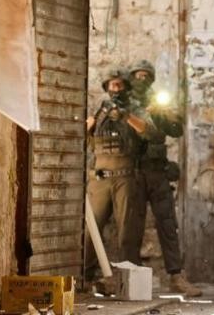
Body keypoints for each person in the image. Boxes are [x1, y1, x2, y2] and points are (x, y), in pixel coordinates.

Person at [128, 59, 202, 297]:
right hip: (134, 173)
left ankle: (176, 277)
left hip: (158, 173)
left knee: (168, 225)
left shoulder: (158, 101)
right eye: (138, 75)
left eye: (146, 76)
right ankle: (130, 280)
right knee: (131, 228)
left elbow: (176, 130)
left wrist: (162, 113)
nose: (142, 80)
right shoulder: (125, 104)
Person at [85, 67, 157, 288]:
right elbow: (84, 133)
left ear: (126, 87)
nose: (116, 88)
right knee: (90, 231)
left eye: (119, 84)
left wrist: (126, 116)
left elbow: (149, 131)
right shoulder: (100, 110)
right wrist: (94, 120)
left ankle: (129, 283)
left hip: (125, 178)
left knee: (128, 233)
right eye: (112, 85)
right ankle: (85, 279)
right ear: (106, 87)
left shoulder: (135, 109)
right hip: (99, 179)